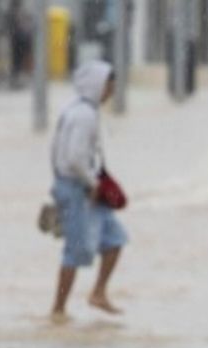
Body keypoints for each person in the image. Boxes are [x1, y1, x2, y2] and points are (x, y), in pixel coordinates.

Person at [49, 60, 126, 321]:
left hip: (82, 187)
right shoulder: (83, 116)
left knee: (115, 239)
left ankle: (99, 292)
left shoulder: (81, 111)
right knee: (74, 251)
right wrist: (93, 184)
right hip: (78, 189)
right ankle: (58, 309)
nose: (112, 91)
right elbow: (74, 158)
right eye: (109, 85)